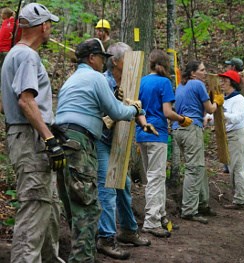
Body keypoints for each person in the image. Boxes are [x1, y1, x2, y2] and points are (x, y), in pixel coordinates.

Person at [55, 38, 146, 262]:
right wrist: (134, 109)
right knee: (87, 205)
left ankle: (83, 250)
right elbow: (116, 112)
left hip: (59, 141)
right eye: (101, 58)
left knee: (74, 202)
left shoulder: (72, 80)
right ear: (92, 58)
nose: (103, 64)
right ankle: (84, 257)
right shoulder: (96, 77)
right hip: (79, 142)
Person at [0, 3, 65, 262]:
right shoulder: (27, 56)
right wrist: (48, 138)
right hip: (30, 139)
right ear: (42, 26)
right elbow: (25, 100)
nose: (50, 28)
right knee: (34, 209)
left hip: (22, 135)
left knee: (47, 207)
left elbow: (4, 104)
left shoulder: (12, 56)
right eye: (49, 24)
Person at [96, 42, 152, 260]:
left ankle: (128, 230)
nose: (132, 63)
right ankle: (106, 237)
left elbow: (135, 106)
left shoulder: (129, 82)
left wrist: (143, 121)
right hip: (102, 139)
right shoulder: (103, 81)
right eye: (127, 59)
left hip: (118, 139)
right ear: (115, 61)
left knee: (124, 184)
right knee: (108, 185)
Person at [137, 49, 192, 237]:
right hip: (157, 133)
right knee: (156, 178)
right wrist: (182, 119)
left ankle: (160, 215)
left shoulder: (142, 81)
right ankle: (151, 221)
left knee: (154, 177)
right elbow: (168, 112)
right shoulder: (164, 82)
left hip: (142, 132)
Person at [172, 61, 224, 224]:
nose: (205, 73)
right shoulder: (197, 84)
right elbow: (209, 109)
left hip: (178, 129)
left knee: (199, 166)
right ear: (193, 73)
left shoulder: (181, 86)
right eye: (202, 70)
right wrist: (217, 102)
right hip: (191, 128)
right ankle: (189, 210)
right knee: (194, 169)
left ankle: (202, 203)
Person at [214, 70, 244, 210]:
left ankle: (240, 200)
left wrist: (222, 114)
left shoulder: (239, 99)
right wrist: (209, 118)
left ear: (232, 83)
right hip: (227, 135)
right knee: (235, 167)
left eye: (225, 80)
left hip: (238, 135)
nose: (222, 83)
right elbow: (214, 117)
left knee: (237, 169)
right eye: (221, 80)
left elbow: (239, 118)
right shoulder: (224, 98)